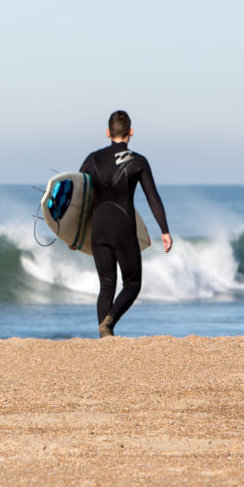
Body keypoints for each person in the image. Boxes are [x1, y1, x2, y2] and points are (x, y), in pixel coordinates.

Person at [79, 110, 172, 337]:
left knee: (106, 284)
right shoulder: (138, 161)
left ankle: (104, 336)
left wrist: (76, 234)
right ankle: (109, 321)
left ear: (107, 133)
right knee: (132, 284)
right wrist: (164, 230)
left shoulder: (92, 159)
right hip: (123, 227)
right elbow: (153, 197)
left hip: (98, 228)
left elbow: (79, 197)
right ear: (131, 132)